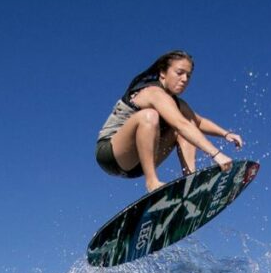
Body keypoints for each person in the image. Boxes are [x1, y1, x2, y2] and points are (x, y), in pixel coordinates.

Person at [96, 51, 244, 192]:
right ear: (162, 73)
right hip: (111, 154)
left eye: (188, 76)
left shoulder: (176, 103)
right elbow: (181, 124)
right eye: (179, 73)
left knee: (188, 124)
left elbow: (198, 122)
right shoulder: (153, 93)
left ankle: (190, 181)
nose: (185, 79)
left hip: (139, 164)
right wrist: (216, 154)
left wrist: (226, 134)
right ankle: (152, 182)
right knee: (150, 116)